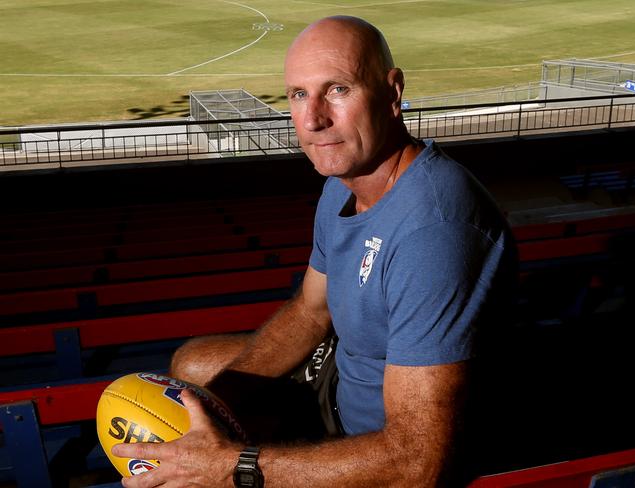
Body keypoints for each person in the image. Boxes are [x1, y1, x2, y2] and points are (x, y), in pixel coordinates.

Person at [113, 15, 518, 487]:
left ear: (392, 93)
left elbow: (417, 463)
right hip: (340, 384)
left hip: (387, 445)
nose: (313, 120)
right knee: (194, 370)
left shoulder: (434, 230)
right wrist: (211, 412)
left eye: (338, 90)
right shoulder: (342, 179)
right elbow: (310, 310)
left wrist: (232, 466)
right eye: (299, 94)